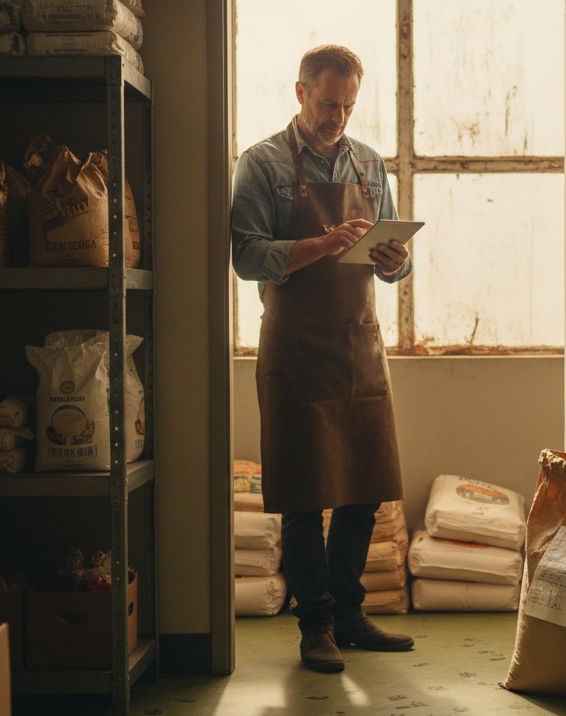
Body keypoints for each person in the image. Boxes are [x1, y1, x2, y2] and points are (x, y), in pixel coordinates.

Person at [231, 44, 414, 672]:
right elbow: (246, 255)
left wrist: (395, 260)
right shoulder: (261, 163)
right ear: (301, 92)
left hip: (359, 343)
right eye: (329, 104)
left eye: (349, 106)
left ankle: (349, 614)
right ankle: (315, 625)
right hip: (295, 348)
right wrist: (322, 243)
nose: (339, 117)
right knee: (304, 496)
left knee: (365, 488)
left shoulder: (370, 163)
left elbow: (393, 260)